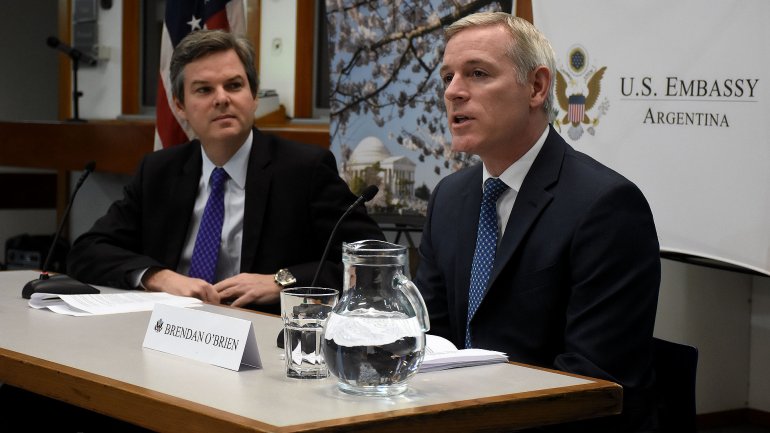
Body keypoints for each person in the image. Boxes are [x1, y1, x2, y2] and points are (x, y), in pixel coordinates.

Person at [414, 12, 660, 432]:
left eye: (477, 73)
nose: (453, 91)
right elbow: (429, 337)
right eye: (447, 77)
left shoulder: (606, 206)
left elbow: (590, 379)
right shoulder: (449, 197)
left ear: (537, 87)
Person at [67, 29, 384, 314]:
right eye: (204, 90)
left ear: (254, 96)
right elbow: (87, 250)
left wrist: (282, 280)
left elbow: (374, 257)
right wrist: (159, 277)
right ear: (180, 106)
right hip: (169, 328)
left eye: (234, 85)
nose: (221, 99)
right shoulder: (159, 171)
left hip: (261, 333)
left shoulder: (304, 170)